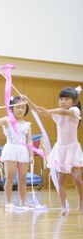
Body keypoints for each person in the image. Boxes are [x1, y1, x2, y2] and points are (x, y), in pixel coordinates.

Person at [23, 87, 83, 215]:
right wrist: (28, 101)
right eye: (61, 99)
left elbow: (64, 112)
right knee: (61, 179)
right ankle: (64, 206)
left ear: (74, 101)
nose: (62, 101)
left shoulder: (74, 110)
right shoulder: (57, 114)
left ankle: (82, 199)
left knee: (77, 178)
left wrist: (49, 110)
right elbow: (40, 111)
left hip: (72, 149)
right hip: (61, 150)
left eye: (66, 99)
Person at [0, 96, 34, 209]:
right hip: (11, 150)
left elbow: (29, 141)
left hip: (23, 152)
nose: (20, 110)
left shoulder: (27, 125)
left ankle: (23, 202)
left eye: (23, 108)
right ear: (12, 108)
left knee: (23, 178)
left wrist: (31, 155)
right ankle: (8, 202)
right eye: (18, 107)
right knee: (10, 177)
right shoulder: (7, 120)